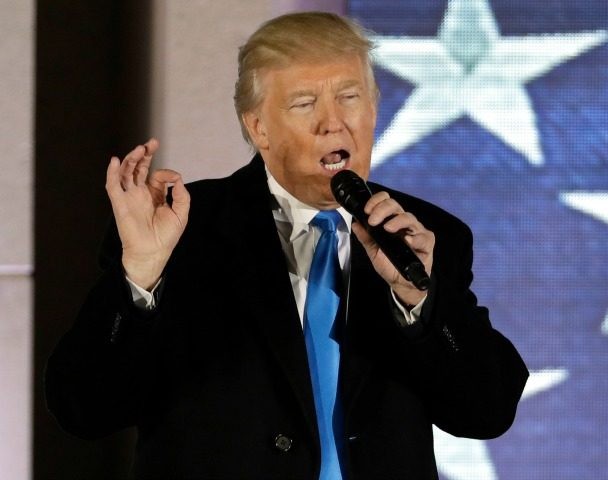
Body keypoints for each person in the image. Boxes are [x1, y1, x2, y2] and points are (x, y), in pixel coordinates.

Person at [45, 11, 528, 480]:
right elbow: (85, 409)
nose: (332, 123)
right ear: (258, 127)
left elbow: (486, 411)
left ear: (374, 109)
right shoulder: (181, 229)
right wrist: (140, 275)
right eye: (304, 103)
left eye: (350, 97)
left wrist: (420, 300)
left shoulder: (424, 236)